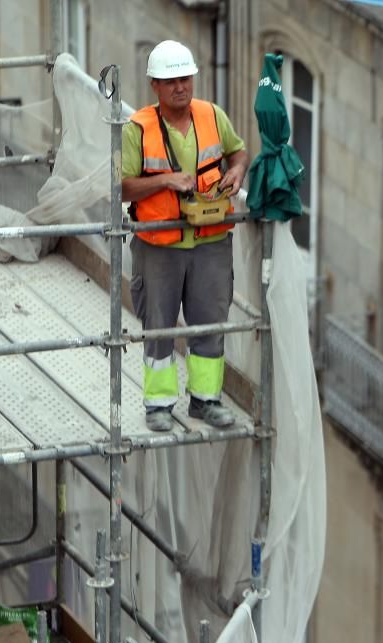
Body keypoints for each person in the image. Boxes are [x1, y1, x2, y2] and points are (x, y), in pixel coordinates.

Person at [122, 40, 249, 432]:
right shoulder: (138, 129)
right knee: (159, 323)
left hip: (211, 240)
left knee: (209, 321)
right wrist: (165, 181)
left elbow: (239, 152)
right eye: (170, 80)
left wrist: (237, 172)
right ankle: (159, 404)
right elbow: (123, 188)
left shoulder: (212, 115)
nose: (180, 86)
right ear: (155, 87)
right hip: (159, 244)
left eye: (185, 78)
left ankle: (205, 400)